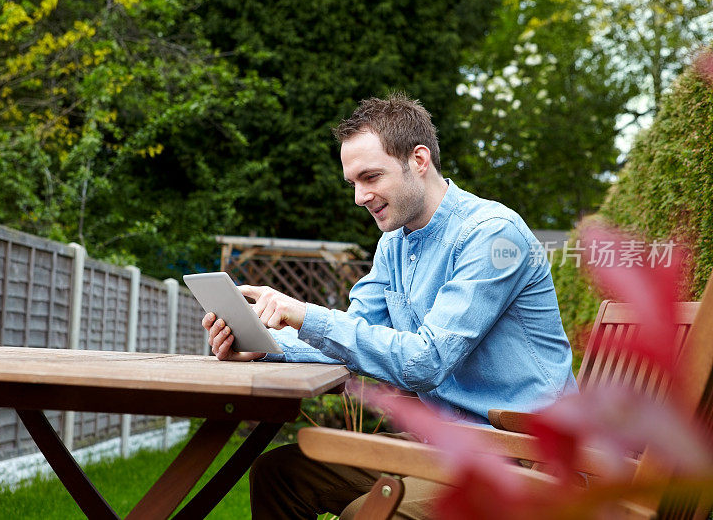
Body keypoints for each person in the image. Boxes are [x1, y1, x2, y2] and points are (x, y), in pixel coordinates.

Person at [202, 93, 577, 519]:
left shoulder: (494, 237)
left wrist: (303, 313)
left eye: (371, 177)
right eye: (353, 183)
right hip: (448, 445)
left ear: (419, 160)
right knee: (280, 474)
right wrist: (267, 343)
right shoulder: (394, 244)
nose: (359, 196)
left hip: (522, 456)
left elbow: (426, 361)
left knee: (366, 515)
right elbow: (353, 333)